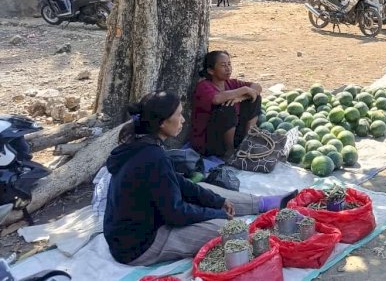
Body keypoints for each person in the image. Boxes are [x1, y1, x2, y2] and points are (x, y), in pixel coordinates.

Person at [104, 91, 296, 266]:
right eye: (178, 115)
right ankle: (256, 227)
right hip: (138, 246)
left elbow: (179, 184)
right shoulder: (153, 157)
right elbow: (176, 213)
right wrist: (216, 214)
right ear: (162, 123)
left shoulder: (144, 144)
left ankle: (264, 203)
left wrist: (218, 202)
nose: (183, 120)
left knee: (205, 188)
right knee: (228, 228)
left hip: (150, 222)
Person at [191, 51, 262, 158]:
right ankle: (229, 152)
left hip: (234, 135)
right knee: (227, 107)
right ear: (211, 70)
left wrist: (242, 96)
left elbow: (257, 87)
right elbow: (217, 98)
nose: (228, 68)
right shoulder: (204, 86)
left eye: (229, 64)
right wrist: (244, 89)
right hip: (211, 142)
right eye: (223, 65)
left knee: (255, 98)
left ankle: (247, 141)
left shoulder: (230, 83)